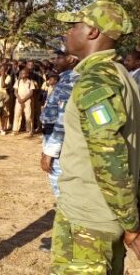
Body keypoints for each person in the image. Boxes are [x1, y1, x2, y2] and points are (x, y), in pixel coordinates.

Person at [51, 1, 140, 274]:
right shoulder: (120, 75)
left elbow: (109, 155)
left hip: (88, 219)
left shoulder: (97, 80)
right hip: (104, 215)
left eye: (73, 26)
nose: (67, 32)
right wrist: (135, 214)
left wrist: (132, 222)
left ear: (92, 32)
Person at [38, 42, 80, 251]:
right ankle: (65, 238)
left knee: (64, 194)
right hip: (55, 139)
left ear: (71, 59)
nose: (55, 61)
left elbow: (63, 121)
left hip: (61, 146)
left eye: (59, 57)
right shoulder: (65, 79)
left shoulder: (72, 81)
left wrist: (50, 151)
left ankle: (67, 242)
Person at [12, 68, 37, 136]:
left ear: (27, 74)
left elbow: (31, 93)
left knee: (28, 115)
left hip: (27, 100)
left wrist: (24, 99)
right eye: (21, 73)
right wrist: (19, 98)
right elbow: (15, 92)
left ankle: (29, 130)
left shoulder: (30, 82)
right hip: (19, 100)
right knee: (17, 114)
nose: (21, 74)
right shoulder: (18, 81)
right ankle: (15, 130)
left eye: (23, 73)